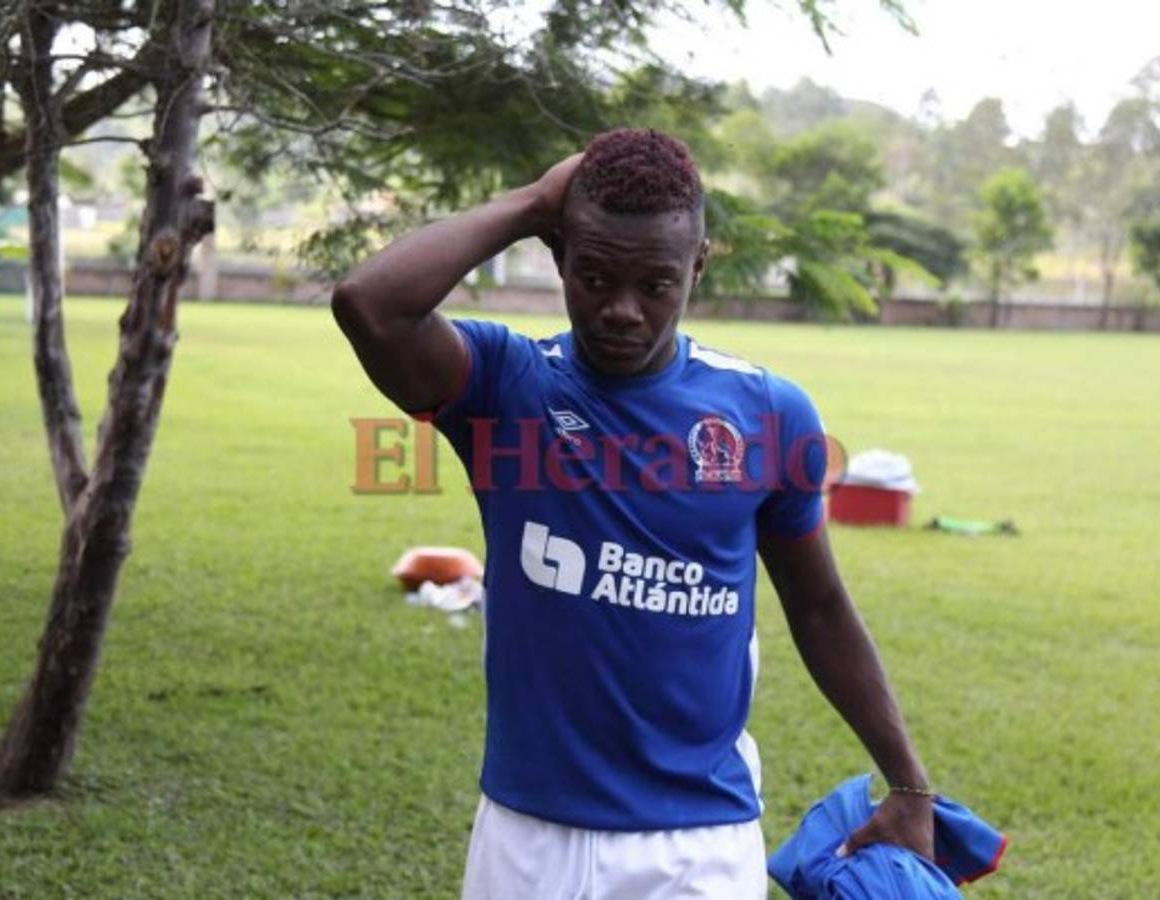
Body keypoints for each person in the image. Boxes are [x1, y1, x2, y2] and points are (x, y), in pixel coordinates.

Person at [332, 129, 933, 899]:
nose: (621, 310)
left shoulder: (767, 414)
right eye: (593, 277)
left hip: (696, 844)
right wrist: (532, 204)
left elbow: (818, 606)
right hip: (526, 833)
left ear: (696, 266)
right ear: (559, 258)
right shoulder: (506, 387)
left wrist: (908, 783)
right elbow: (371, 306)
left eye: (654, 284)